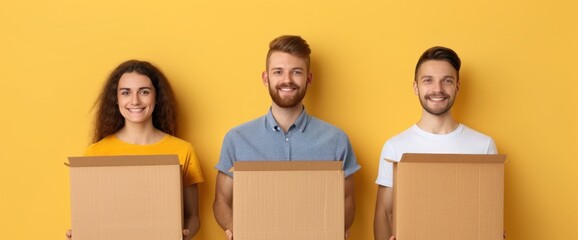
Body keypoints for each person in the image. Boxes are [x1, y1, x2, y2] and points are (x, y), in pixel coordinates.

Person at [213, 35, 361, 240]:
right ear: (266, 78)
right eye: (278, 72)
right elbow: (221, 200)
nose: (287, 80)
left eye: (297, 72)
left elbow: (347, 200)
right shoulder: (237, 139)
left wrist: (335, 229)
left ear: (309, 79)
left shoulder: (336, 140)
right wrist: (236, 230)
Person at [66, 60, 204, 240]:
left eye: (144, 92)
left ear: (157, 97)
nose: (135, 101)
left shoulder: (182, 150)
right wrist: (79, 233)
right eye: (126, 93)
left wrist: (186, 235)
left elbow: (193, 215)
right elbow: (90, 217)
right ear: (116, 99)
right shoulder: (95, 153)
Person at [373, 46, 499, 240]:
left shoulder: (483, 146)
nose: (437, 89)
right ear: (416, 87)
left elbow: (488, 215)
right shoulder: (395, 147)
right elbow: (384, 213)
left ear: (457, 86)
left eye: (447, 81)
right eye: (428, 80)